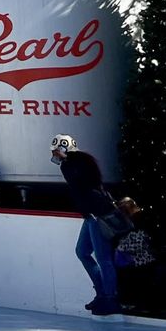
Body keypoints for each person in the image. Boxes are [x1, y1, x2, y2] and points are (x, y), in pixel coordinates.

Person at [51, 134, 121, 316]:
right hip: (91, 214)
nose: (54, 155)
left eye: (56, 151)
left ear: (63, 149)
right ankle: (102, 293)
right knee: (82, 251)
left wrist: (91, 211)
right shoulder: (80, 162)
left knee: (103, 257)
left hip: (97, 214)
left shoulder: (72, 165)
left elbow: (82, 190)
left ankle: (110, 298)